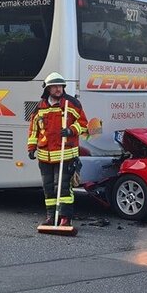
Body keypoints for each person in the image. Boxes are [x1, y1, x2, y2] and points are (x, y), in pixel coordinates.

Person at [26, 72, 88, 229]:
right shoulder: (40, 107)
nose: (58, 89)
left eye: (60, 86)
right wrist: (31, 147)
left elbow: (84, 124)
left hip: (65, 155)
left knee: (63, 188)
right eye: (54, 87)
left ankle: (65, 218)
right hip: (45, 156)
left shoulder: (71, 104)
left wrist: (71, 130)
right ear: (48, 89)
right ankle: (51, 216)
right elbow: (34, 130)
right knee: (48, 189)